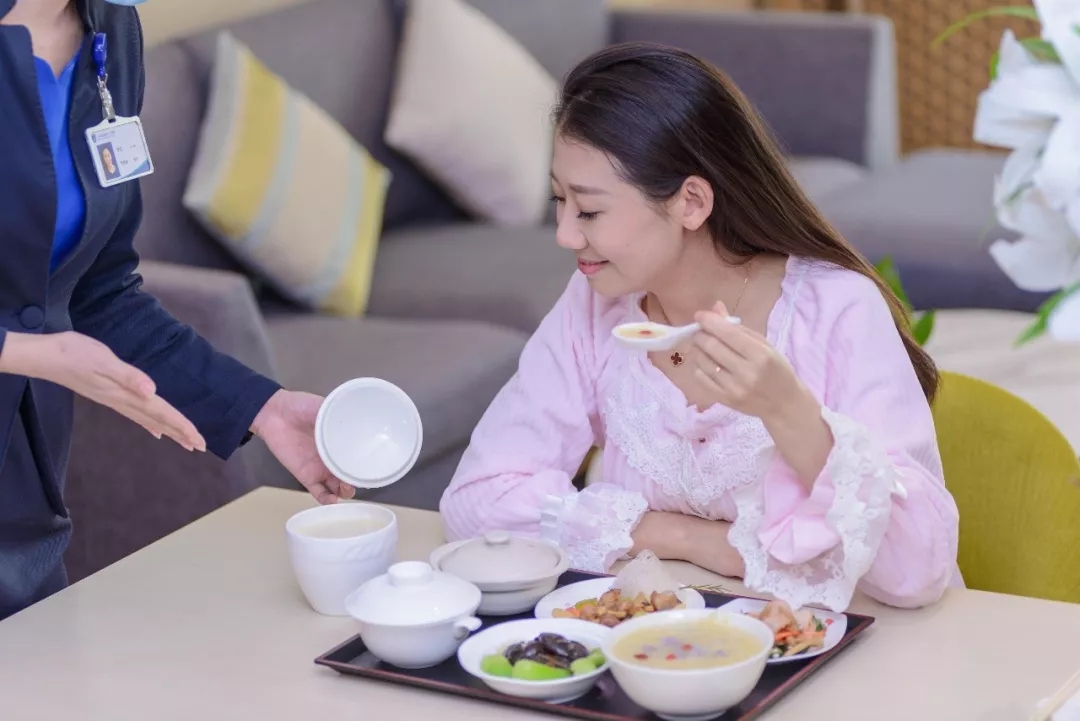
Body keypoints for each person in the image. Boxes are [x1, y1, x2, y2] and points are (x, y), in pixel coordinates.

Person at [439, 42, 961, 613]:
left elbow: (916, 572)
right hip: (669, 644)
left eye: (589, 210)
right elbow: (476, 502)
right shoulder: (595, 304)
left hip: (852, 643)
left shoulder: (836, 309)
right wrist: (690, 539)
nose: (565, 234)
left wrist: (787, 409)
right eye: (559, 200)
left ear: (690, 202)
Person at [0, 0, 353, 621]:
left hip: (22, 493)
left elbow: (100, 290)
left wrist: (261, 406)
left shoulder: (111, 32)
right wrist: (27, 352)